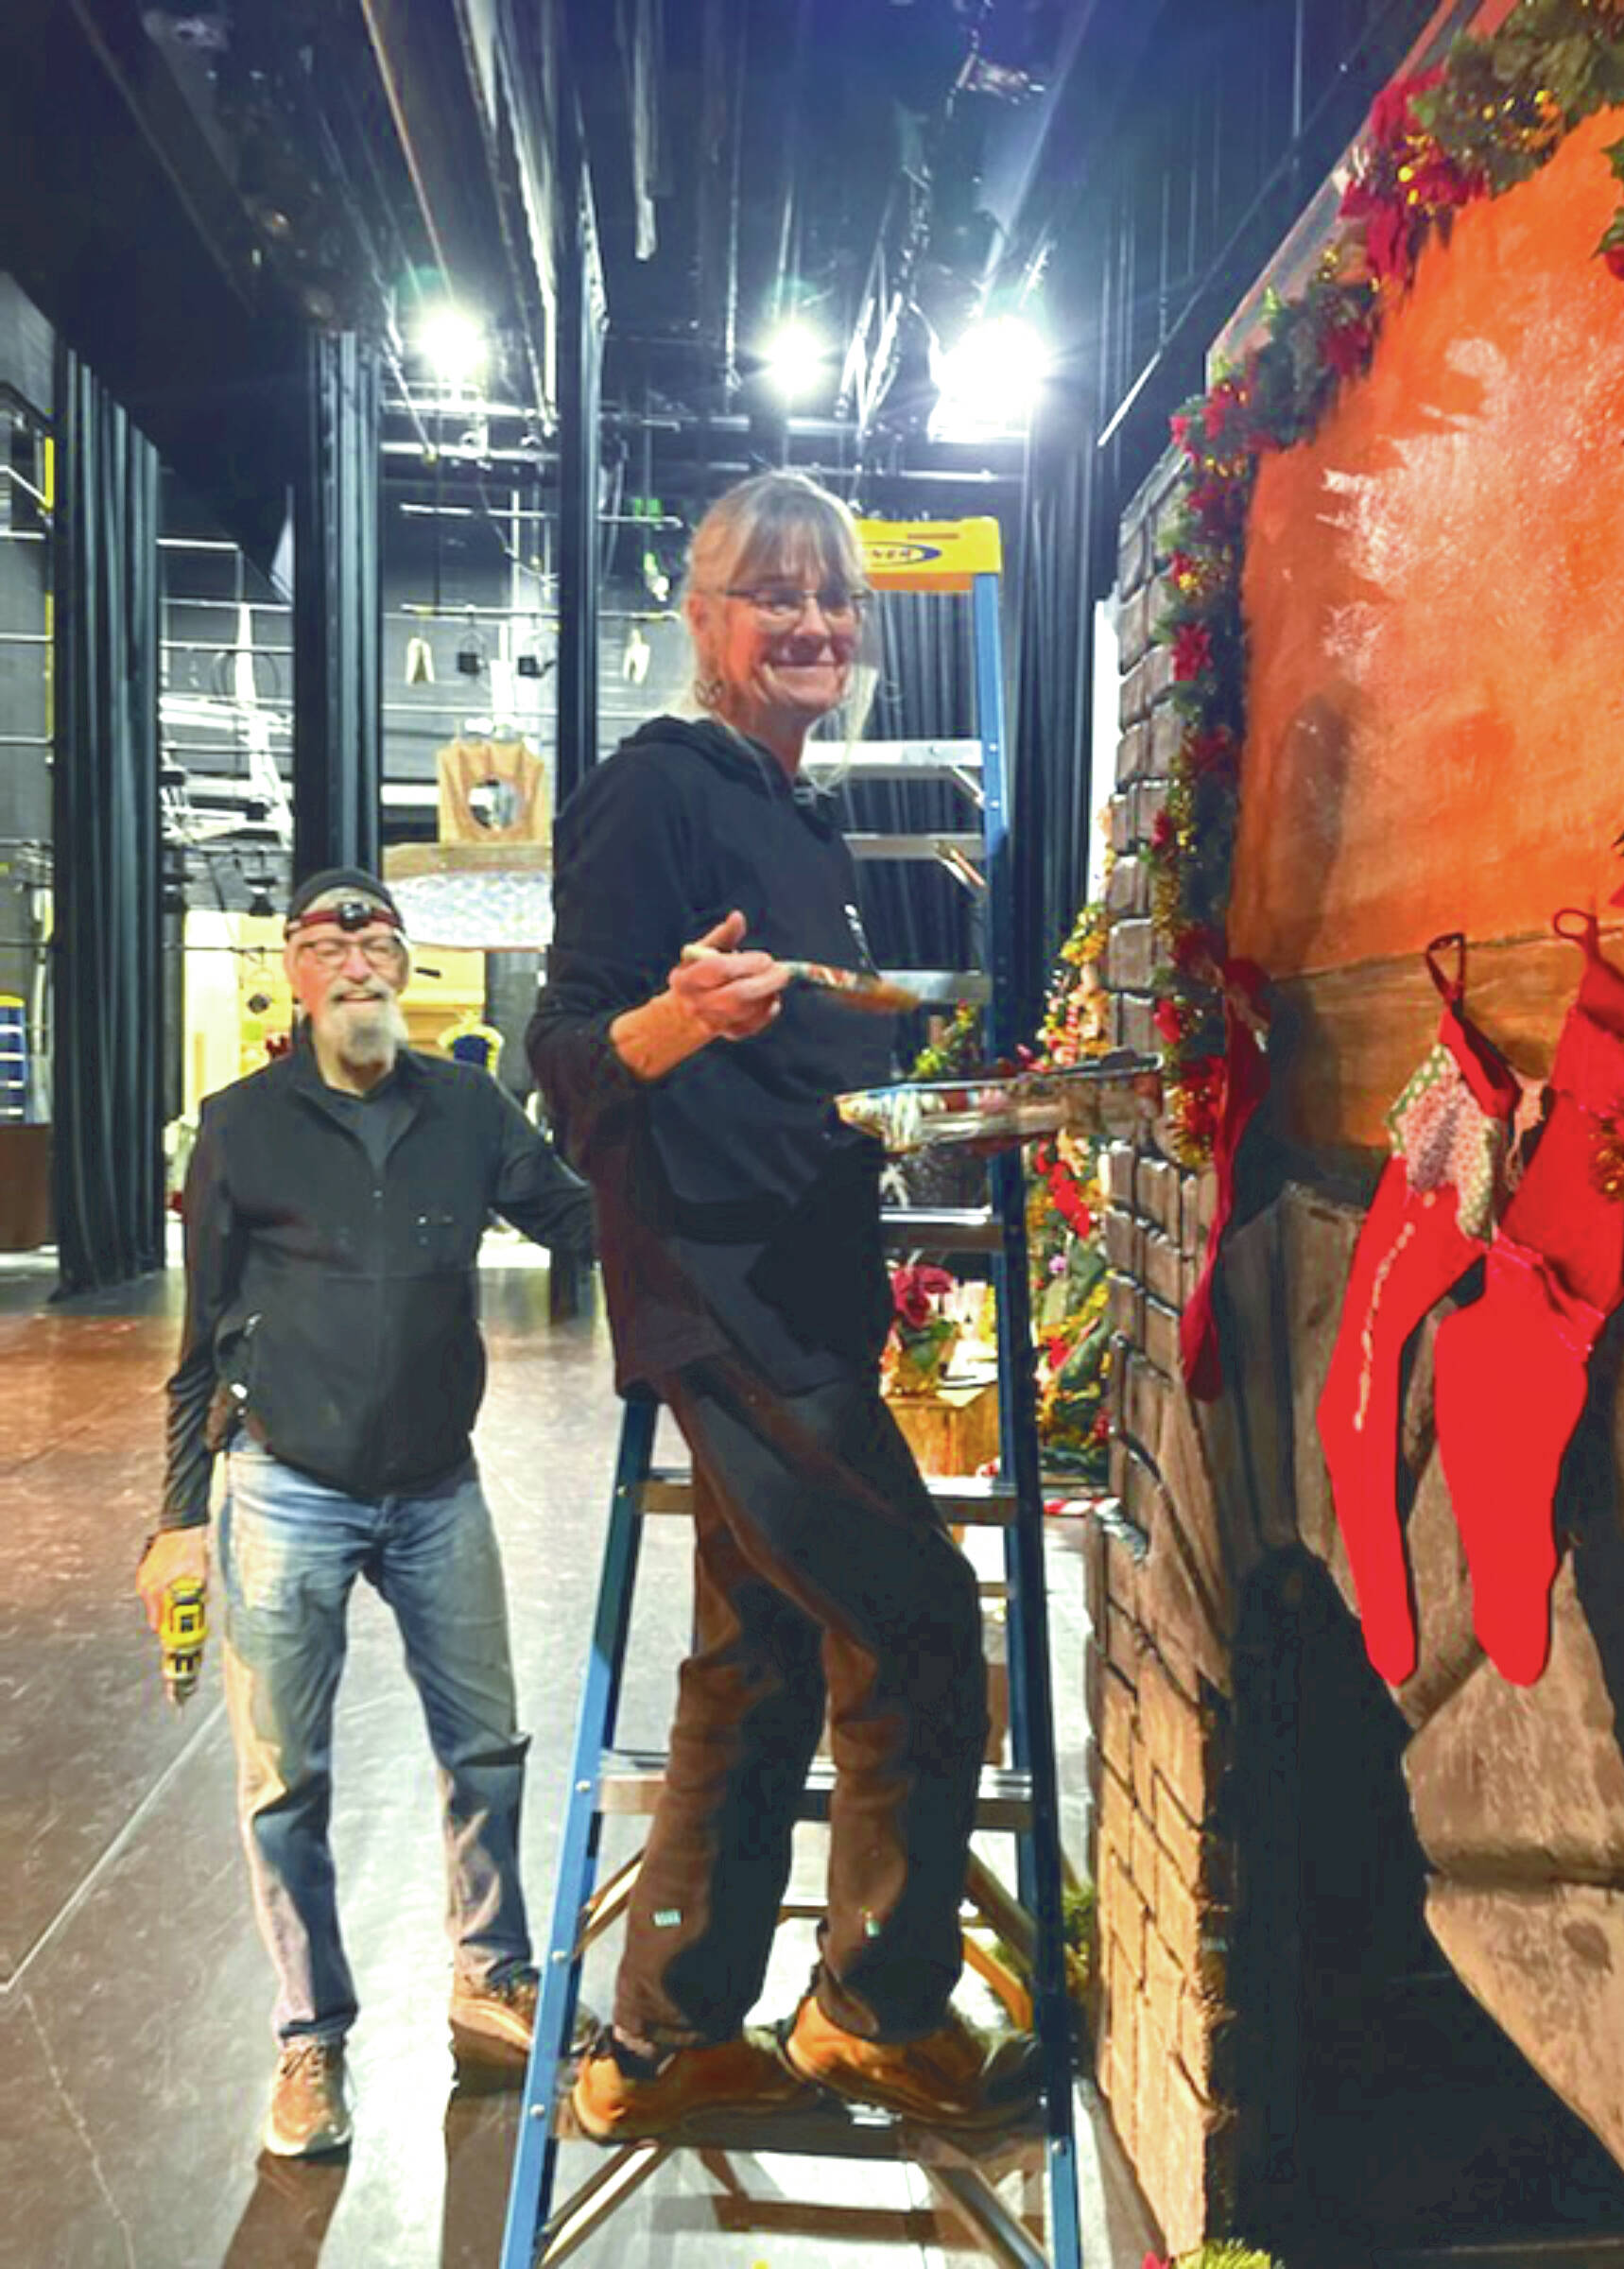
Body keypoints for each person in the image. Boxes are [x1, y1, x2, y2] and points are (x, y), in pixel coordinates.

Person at [527, 469, 1036, 2140]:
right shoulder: (651, 796)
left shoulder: (800, 818)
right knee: (914, 1621)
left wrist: (923, 1108)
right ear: (705, 616)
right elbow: (573, 1063)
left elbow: (808, 1059)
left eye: (837, 596)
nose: (816, 622)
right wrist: (674, 1022)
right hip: (721, 1287)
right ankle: (874, 2013)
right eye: (776, 594)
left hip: (801, 1283)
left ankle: (663, 2044)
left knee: (752, 1663)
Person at [136, 868, 594, 2159]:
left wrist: (698, 1191)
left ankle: (492, 1982)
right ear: (295, 972)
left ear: (401, 970)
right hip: (286, 1490)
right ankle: (308, 2041)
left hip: (438, 1488)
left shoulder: (466, 1107)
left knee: (487, 1748)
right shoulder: (241, 1125)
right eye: (334, 947)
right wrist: (177, 1518)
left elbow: (575, 1217)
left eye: (381, 944)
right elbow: (199, 1339)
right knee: (286, 1783)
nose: (360, 965)